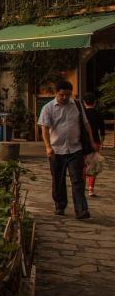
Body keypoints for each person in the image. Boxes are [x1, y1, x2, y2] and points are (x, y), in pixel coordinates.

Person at [39, 80, 97, 219]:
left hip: (75, 148)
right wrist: (48, 147)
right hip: (56, 150)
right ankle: (60, 205)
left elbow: (85, 124)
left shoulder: (77, 105)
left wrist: (92, 141)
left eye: (67, 95)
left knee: (78, 180)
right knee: (58, 180)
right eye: (61, 95)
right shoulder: (48, 108)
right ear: (56, 93)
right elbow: (44, 129)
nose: (65, 97)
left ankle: (81, 210)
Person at [83, 92, 106, 197]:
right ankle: (91, 189)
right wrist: (102, 142)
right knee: (93, 165)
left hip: (83, 142)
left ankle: (81, 186)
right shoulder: (98, 114)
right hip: (95, 142)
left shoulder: (82, 114)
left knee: (83, 164)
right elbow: (102, 130)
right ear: (95, 102)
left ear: (84, 102)